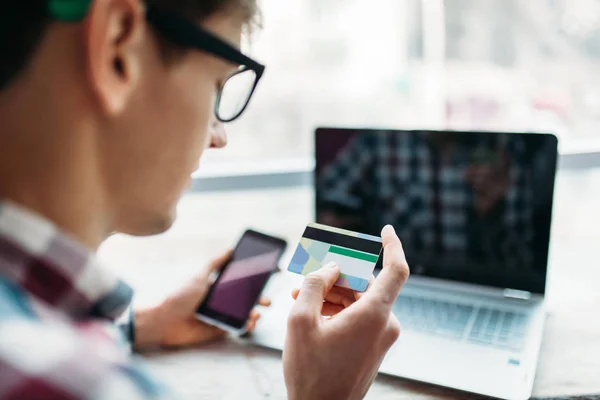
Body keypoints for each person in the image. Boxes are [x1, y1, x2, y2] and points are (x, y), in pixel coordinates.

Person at [0, 1, 410, 399]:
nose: (219, 137)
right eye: (217, 88)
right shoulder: (80, 385)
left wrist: (146, 325)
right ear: (116, 46)